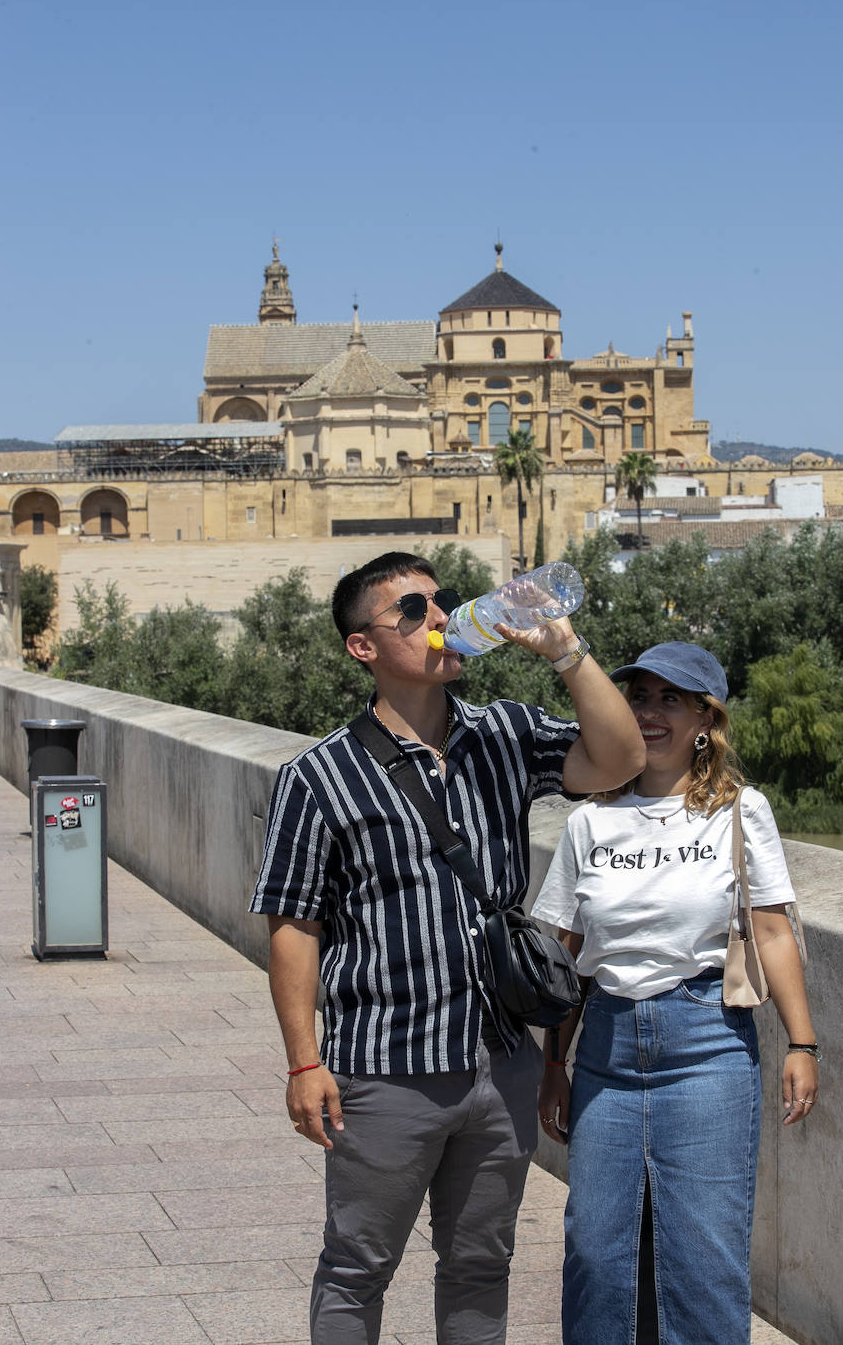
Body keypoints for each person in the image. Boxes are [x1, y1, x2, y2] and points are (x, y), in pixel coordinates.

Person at [249, 551, 645, 1345]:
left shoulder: (504, 732)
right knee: (358, 1268)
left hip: (499, 1060)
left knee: (479, 1265)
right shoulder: (318, 776)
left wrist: (565, 652)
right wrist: (303, 1061)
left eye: (443, 603)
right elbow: (294, 926)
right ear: (364, 647)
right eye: (413, 611)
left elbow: (621, 759)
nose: (438, 619)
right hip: (384, 1066)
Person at [534, 641, 819, 1345]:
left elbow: (773, 932)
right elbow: (563, 958)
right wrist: (552, 1065)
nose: (649, 712)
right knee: (596, 1254)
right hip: (604, 1046)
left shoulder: (738, 812)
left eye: (670, 699)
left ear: (704, 719)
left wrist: (802, 1043)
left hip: (708, 1043)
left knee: (702, 1258)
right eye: (640, 696)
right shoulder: (589, 823)